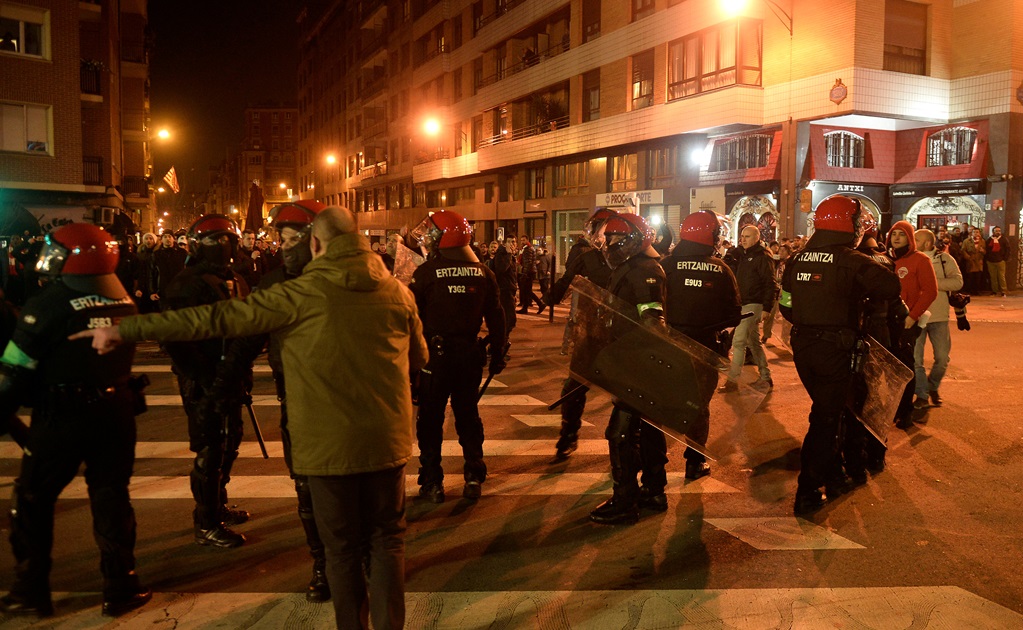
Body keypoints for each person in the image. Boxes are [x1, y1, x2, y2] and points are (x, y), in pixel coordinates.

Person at [73, 206, 428, 630]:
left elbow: (215, 319)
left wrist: (123, 330)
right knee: (388, 542)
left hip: (326, 443)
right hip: (385, 442)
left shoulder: (299, 293)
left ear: (316, 243)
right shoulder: (398, 294)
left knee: (342, 551)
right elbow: (418, 359)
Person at [0, 224, 151, 617]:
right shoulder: (121, 299)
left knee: (33, 498)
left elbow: (15, 372)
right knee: (112, 496)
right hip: (116, 414)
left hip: (61, 417)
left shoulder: (47, 304)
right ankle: (121, 585)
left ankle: (30, 590)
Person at [780, 196, 904, 514]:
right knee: (825, 418)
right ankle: (808, 490)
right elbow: (890, 288)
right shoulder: (853, 260)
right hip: (835, 348)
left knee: (826, 410)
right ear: (846, 225)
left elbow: (786, 306)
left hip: (803, 347)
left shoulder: (797, 259)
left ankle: (835, 476)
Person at [238, 200, 332, 601]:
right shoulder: (273, 283)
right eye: (284, 238)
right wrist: (226, 377)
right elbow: (249, 334)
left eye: (297, 237)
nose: (288, 245)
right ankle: (322, 564)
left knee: (353, 484)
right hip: (294, 395)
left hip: (343, 396)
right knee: (306, 486)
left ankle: (359, 554)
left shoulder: (348, 277)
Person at [162, 215, 255, 549]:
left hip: (230, 374)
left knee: (230, 440)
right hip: (202, 378)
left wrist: (240, 371)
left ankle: (219, 503)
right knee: (210, 446)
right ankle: (206, 521)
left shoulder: (234, 279)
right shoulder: (186, 284)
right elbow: (175, 339)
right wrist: (203, 375)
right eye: (224, 240)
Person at [409, 210, 506, 503]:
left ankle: (432, 481)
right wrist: (499, 352)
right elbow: (498, 317)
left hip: (434, 358)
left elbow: (410, 316)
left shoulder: (426, 272)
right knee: (468, 416)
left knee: (430, 419)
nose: (427, 238)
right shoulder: (484, 272)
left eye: (432, 233)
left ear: (445, 237)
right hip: (468, 357)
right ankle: (474, 476)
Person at [588, 212, 667, 525]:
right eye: (609, 239)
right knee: (646, 431)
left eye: (618, 240)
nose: (611, 245)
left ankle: (625, 501)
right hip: (631, 360)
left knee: (620, 434)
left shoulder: (646, 270)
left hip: (638, 363)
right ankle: (652, 490)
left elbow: (652, 321)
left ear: (635, 240)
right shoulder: (632, 266)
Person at [661, 211, 742, 486]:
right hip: (704, 346)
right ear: (711, 236)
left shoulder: (666, 265)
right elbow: (734, 314)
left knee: (660, 402)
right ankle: (695, 462)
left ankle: (655, 462)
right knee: (698, 406)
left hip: (667, 344)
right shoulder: (721, 269)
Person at [547, 209, 614, 460]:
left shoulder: (632, 258)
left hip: (620, 334)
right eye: (601, 228)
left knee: (629, 396)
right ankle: (568, 434)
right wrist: (551, 296)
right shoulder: (587, 256)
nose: (604, 234)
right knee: (574, 386)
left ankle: (630, 443)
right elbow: (567, 278)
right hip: (592, 330)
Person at [887, 220, 938, 428]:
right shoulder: (886, 260)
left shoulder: (920, 260)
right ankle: (893, 408)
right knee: (888, 368)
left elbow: (931, 291)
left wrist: (912, 316)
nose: (896, 238)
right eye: (893, 234)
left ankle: (906, 411)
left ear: (910, 238)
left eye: (901, 234)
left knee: (905, 366)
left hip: (907, 322)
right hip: (886, 320)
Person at [913, 228, 963, 411]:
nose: (913, 241)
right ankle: (922, 395)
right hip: (916, 316)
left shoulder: (944, 259)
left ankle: (932, 387)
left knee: (942, 358)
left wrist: (932, 284)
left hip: (939, 316)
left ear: (927, 243)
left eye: (916, 239)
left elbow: (958, 282)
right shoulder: (912, 259)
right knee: (915, 359)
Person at [725, 226, 775, 389]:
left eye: (747, 236)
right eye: (742, 236)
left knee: (739, 341)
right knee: (753, 342)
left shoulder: (762, 256)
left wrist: (767, 307)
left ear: (756, 238)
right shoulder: (743, 255)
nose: (743, 239)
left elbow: (770, 283)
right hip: (745, 303)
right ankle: (766, 377)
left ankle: (732, 380)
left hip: (754, 303)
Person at [489, 238, 518, 335]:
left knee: (508, 318)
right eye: (509, 242)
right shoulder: (502, 254)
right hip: (504, 289)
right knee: (509, 318)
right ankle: (501, 339)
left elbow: (512, 274)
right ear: (505, 243)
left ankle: (502, 338)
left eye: (513, 242)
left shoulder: (510, 256)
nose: (512, 244)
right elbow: (502, 269)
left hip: (510, 288)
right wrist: (509, 254)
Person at [150, 230, 187, 304]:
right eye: (165, 237)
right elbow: (151, 273)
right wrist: (152, 292)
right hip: (162, 291)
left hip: (179, 290)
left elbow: (188, 271)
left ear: (173, 239)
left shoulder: (182, 253)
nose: (167, 239)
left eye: (169, 236)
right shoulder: (156, 254)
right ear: (161, 239)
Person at [516, 235, 540, 313]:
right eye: (521, 240)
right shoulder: (526, 249)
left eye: (523, 240)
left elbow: (528, 263)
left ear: (527, 240)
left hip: (528, 272)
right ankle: (525, 308)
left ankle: (540, 304)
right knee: (526, 291)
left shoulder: (528, 249)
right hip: (528, 272)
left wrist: (525, 273)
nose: (522, 242)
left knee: (527, 290)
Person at [985, 226, 1009, 297]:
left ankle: (1003, 291)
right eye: (996, 231)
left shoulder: (1004, 239)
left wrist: (1004, 258)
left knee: (1001, 276)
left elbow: (1008, 249)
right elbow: (987, 250)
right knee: (993, 277)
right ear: (993, 232)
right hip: (991, 261)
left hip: (1000, 261)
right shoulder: (989, 240)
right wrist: (988, 259)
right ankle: (994, 291)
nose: (998, 232)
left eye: (999, 230)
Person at [960, 228, 985, 294]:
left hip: (979, 261)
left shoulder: (982, 241)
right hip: (970, 260)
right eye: (974, 232)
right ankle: (970, 290)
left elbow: (985, 251)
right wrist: (968, 257)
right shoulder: (967, 241)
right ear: (972, 233)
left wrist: (983, 251)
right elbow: (963, 250)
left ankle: (976, 290)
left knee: (978, 277)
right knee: (970, 277)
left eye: (977, 232)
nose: (976, 233)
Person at [535, 247, 552, 313]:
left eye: (539, 250)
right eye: (537, 250)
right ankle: (544, 297)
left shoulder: (547, 256)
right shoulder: (538, 257)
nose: (538, 251)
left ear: (542, 250)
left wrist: (549, 271)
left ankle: (546, 299)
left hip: (545, 274)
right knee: (542, 287)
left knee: (545, 287)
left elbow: (550, 264)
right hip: (540, 274)